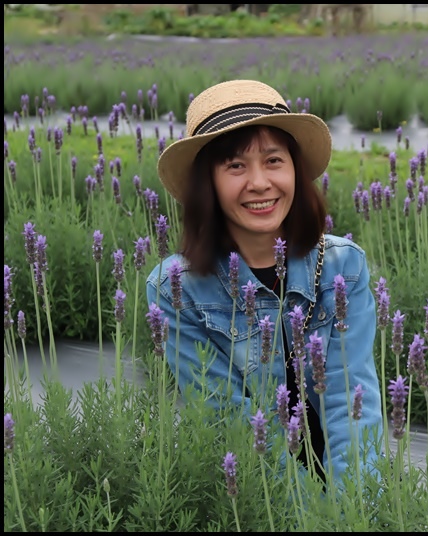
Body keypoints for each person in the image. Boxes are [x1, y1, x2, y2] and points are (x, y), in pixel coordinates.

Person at [145, 79, 383, 489]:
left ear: (295, 169)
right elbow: (227, 420)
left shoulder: (345, 267)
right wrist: (307, 516)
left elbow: (352, 407)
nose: (259, 183)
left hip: (348, 492)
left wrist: (351, 513)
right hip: (255, 496)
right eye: (235, 166)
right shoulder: (176, 289)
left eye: (273, 160)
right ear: (209, 184)